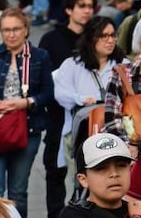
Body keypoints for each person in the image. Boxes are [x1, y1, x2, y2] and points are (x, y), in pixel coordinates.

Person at [0, 8, 54, 218]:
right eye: (6, 30)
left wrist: (25, 103)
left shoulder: (40, 57)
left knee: (18, 192)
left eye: (16, 29)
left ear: (26, 30)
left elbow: (49, 93)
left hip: (28, 129)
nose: (11, 34)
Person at [40, 0, 94, 218]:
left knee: (83, 166)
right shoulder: (52, 38)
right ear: (69, 9)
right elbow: (43, 73)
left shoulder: (95, 38)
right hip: (57, 112)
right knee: (54, 165)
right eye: (82, 6)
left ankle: (77, 214)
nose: (87, 11)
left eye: (90, 6)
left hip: (88, 113)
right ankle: (55, 217)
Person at [53, 18, 128, 172]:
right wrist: (81, 99)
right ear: (91, 38)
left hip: (116, 133)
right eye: (104, 36)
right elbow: (60, 94)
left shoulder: (124, 65)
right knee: (81, 182)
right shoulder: (72, 64)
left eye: (113, 35)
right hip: (80, 134)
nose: (110, 40)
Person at [102, 16, 141, 145]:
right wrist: (129, 147)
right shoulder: (121, 73)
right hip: (126, 151)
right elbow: (111, 117)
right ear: (139, 43)